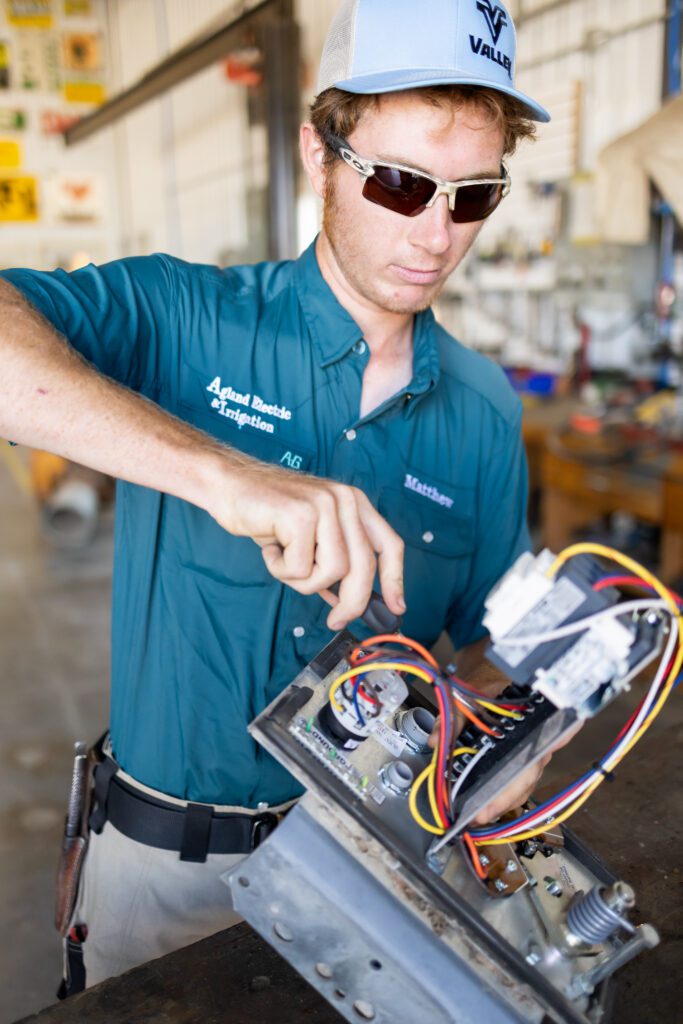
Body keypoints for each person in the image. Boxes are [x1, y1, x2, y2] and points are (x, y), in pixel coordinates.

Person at [0, 0, 552, 992]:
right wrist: (221, 471)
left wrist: (503, 738)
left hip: (371, 874)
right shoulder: (180, 318)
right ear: (317, 150)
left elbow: (482, 649)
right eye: (398, 183)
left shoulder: (481, 414)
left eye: (471, 197)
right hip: (161, 878)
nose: (435, 233)